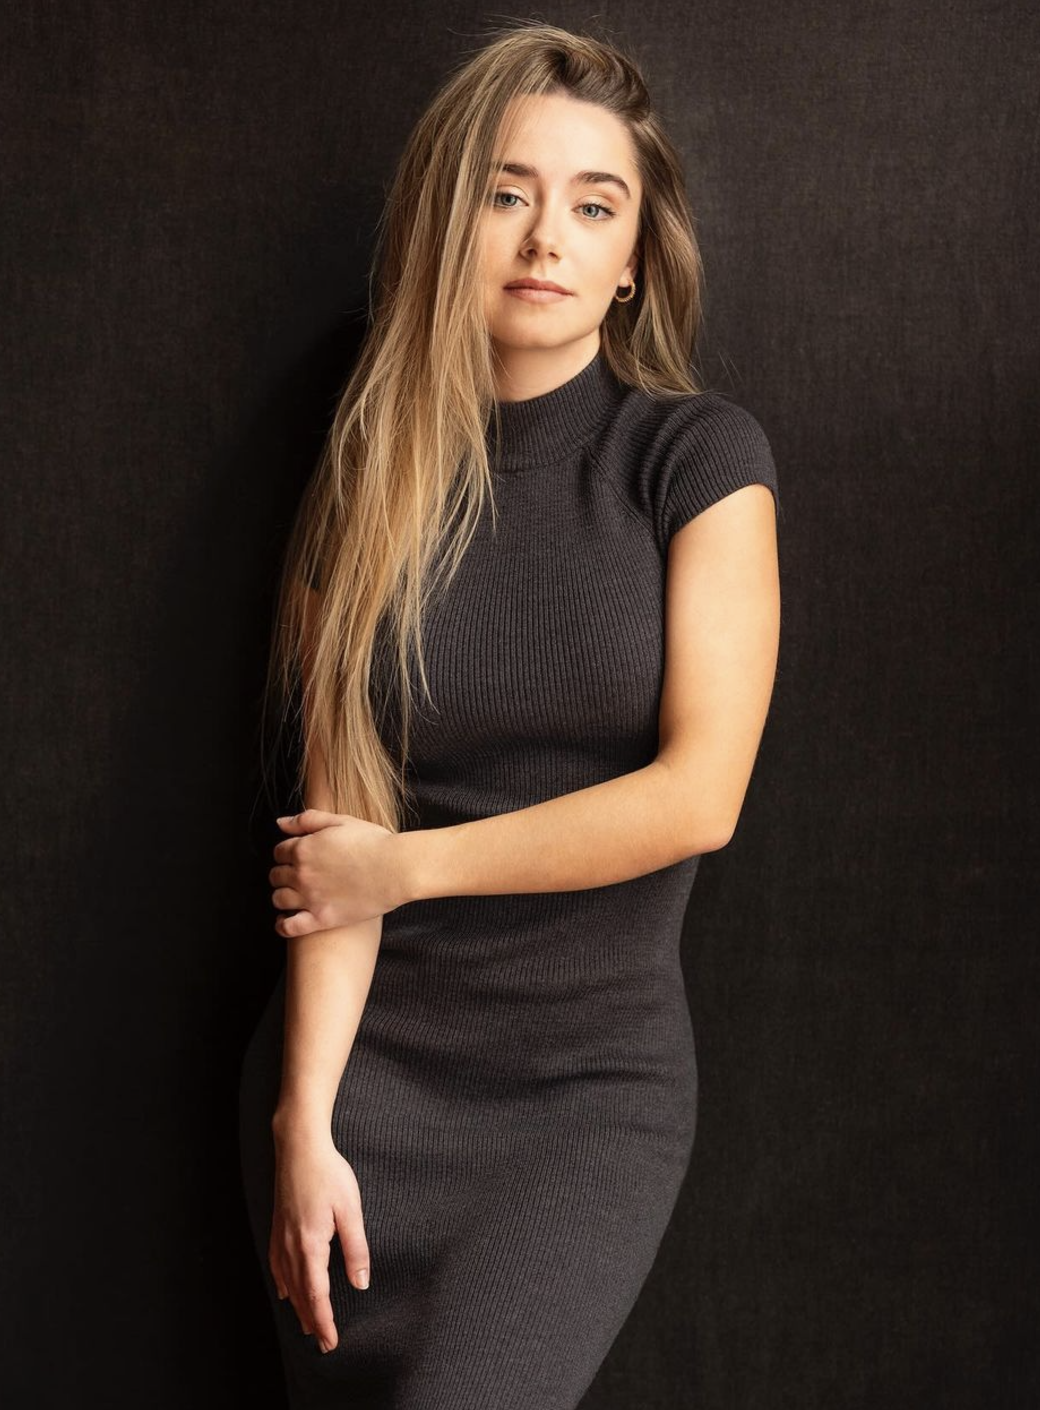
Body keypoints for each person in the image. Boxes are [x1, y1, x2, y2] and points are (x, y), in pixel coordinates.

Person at [238, 19, 781, 1409]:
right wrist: (302, 1120)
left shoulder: (695, 459)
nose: (547, 237)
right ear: (450, 220)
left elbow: (700, 796)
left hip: (584, 1096)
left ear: (634, 256)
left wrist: (407, 866)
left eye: (594, 205)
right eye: (506, 192)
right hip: (364, 1088)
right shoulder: (368, 470)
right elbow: (335, 839)